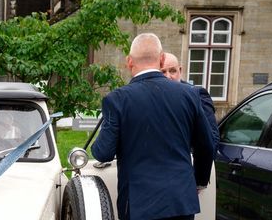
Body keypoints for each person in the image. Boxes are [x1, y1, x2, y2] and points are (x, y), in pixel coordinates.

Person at [91, 33, 215, 220]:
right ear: (162, 58)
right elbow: (206, 145)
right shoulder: (189, 95)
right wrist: (199, 181)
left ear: (129, 61)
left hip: (138, 203)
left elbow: (103, 153)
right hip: (180, 200)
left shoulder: (117, 100)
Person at [161, 52, 220, 152]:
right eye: (163, 72)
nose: (168, 76)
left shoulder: (197, 95)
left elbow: (212, 139)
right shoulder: (151, 97)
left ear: (180, 71)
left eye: (172, 71)